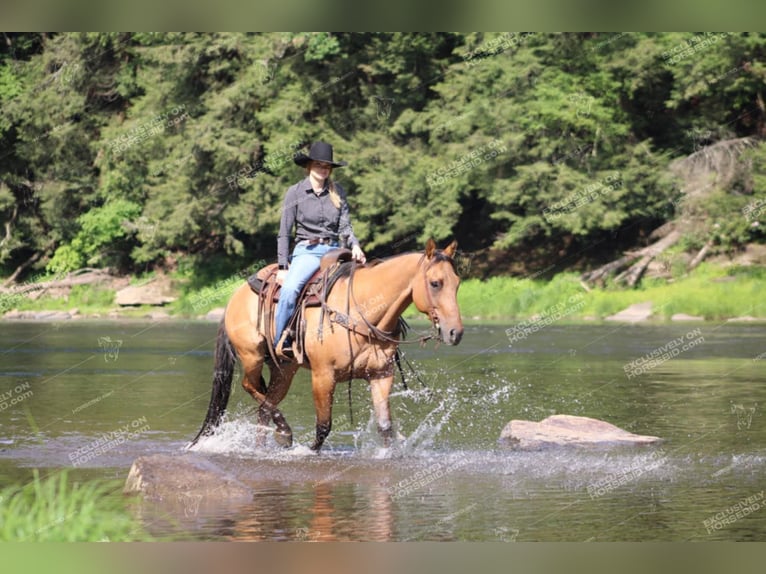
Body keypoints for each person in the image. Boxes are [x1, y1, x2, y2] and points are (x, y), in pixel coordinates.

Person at [274, 141, 366, 358]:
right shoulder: (295, 192)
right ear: (309, 167)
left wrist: (355, 245)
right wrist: (282, 266)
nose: (323, 170)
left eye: (327, 167)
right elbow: (284, 232)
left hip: (335, 250)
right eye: (319, 165)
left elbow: (345, 227)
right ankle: (281, 342)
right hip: (307, 251)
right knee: (289, 291)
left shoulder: (338, 192)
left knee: (363, 284)